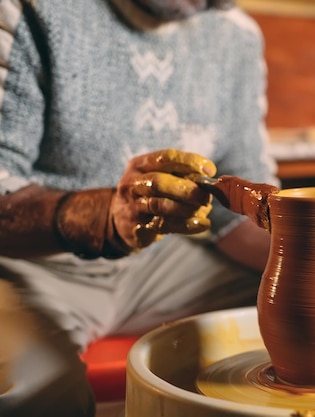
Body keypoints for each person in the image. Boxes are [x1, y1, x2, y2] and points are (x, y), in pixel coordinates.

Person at [0, 0, 278, 415]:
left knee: (301, 319)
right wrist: (103, 215)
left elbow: (235, 213)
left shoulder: (235, 34)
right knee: (41, 394)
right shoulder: (32, 11)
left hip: (162, 263)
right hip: (35, 264)